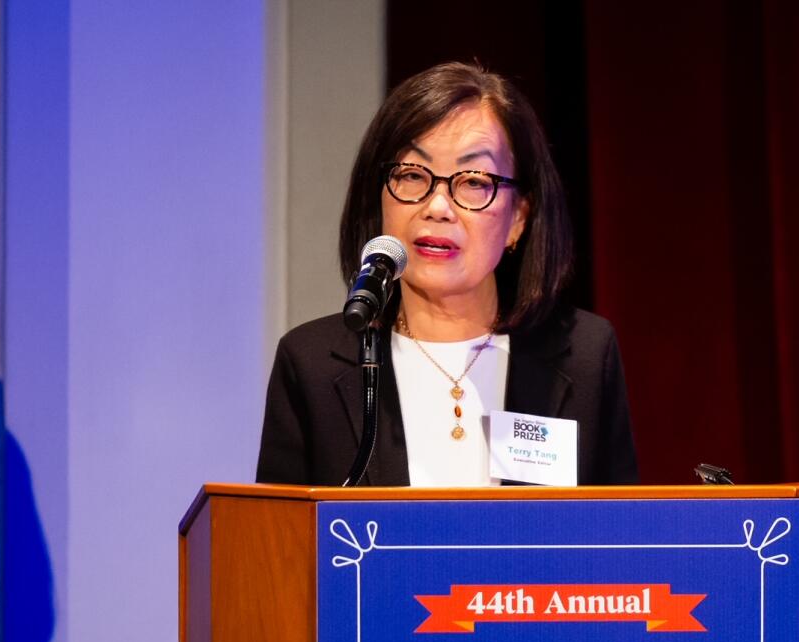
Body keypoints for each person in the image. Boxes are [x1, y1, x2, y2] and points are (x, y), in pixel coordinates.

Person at [256, 62, 638, 486]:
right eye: (413, 175)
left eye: (474, 181)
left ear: (518, 218)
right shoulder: (311, 364)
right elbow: (278, 543)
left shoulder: (583, 354)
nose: (437, 206)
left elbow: (616, 539)